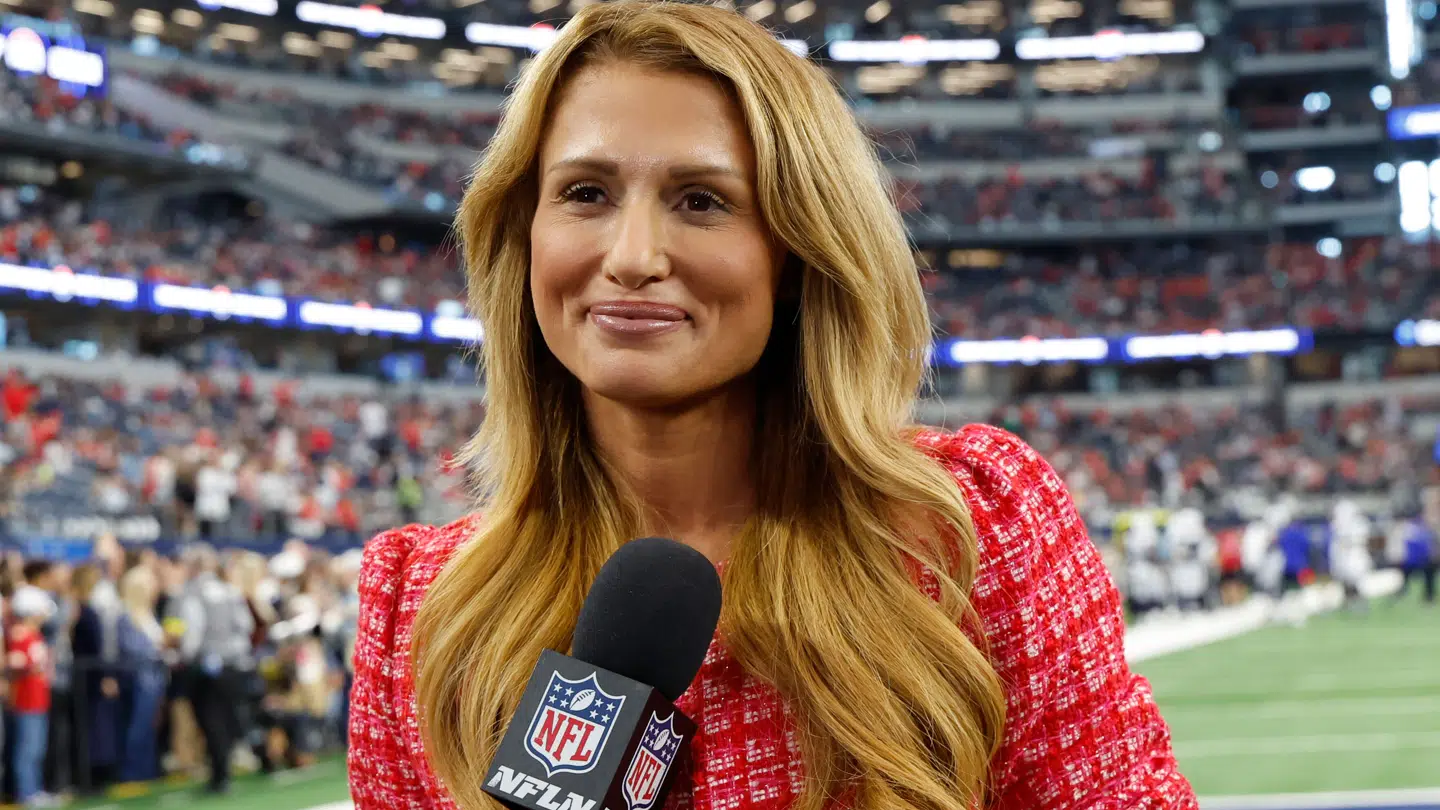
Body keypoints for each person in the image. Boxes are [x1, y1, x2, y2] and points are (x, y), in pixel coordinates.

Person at [347, 4, 1197, 810]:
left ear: (795, 252)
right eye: (585, 193)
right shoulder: (422, 611)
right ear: (521, 234)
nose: (633, 256)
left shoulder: (969, 533)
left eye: (701, 201)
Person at [169, 546, 254, 794]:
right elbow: (244, 627)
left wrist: (184, 657)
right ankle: (224, 770)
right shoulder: (230, 591)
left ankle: (220, 775)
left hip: (206, 666)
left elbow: (192, 633)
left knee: (210, 719)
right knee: (226, 717)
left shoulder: (190, 593)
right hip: (233, 664)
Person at [8, 586, 57, 808]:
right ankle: (26, 792)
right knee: (27, 749)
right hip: (26, 701)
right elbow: (16, 664)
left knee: (36, 748)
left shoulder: (34, 634)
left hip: (38, 699)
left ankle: (34, 789)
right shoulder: (20, 635)